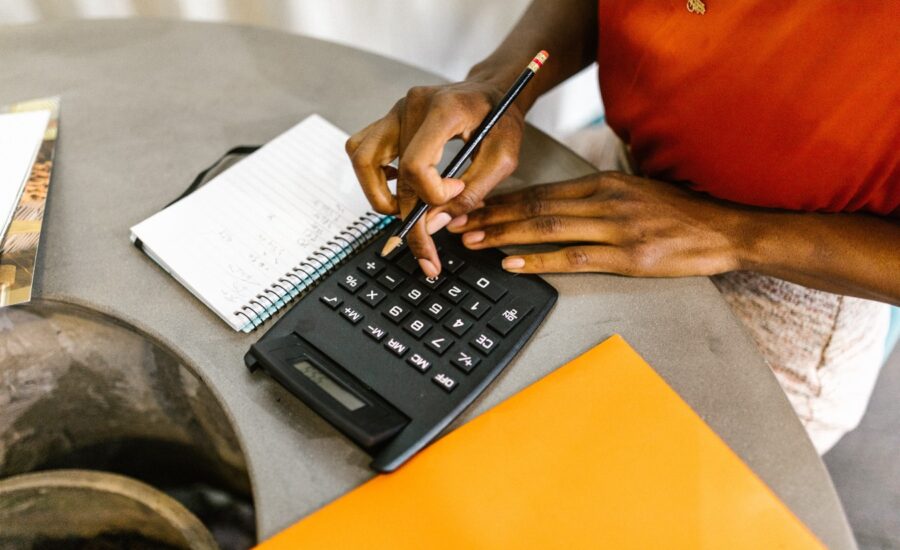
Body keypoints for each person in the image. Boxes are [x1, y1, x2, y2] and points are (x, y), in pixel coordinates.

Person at [345, 0, 899, 452]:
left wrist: (734, 233)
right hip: (622, 172)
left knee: (525, 465)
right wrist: (496, 85)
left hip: (801, 266)